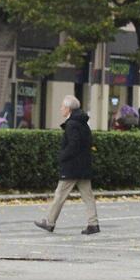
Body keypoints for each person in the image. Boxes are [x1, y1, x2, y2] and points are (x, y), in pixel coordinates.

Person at [35, 95, 100, 235]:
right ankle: (93, 223)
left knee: (60, 195)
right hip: (83, 166)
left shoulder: (72, 124)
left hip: (72, 167)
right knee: (88, 196)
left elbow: (73, 145)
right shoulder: (83, 123)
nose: (61, 109)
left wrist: (62, 157)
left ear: (68, 109)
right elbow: (88, 143)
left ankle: (49, 222)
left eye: (62, 107)